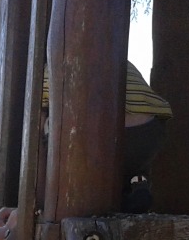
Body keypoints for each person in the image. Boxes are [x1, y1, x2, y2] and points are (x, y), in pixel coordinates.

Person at [42, 60, 173, 213]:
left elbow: (38, 116)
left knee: (50, 123)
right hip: (151, 130)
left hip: (108, 136)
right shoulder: (118, 58)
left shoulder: (54, 64)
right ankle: (138, 186)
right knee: (133, 166)